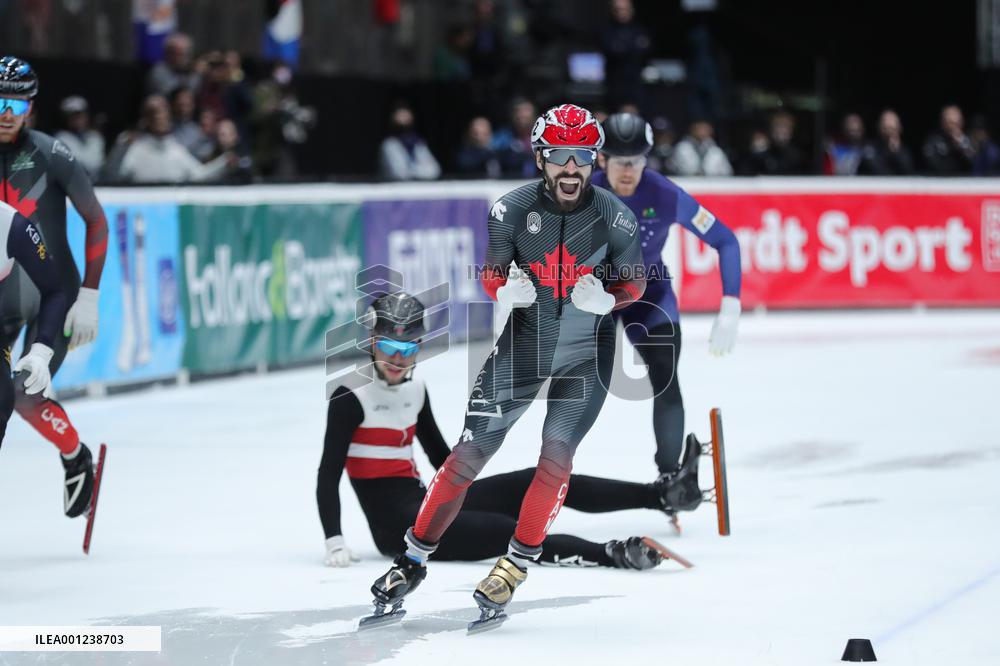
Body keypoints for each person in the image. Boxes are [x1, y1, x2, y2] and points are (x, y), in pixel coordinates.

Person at [367, 104, 647, 626]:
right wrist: (503, 290)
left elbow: (636, 283)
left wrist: (609, 300)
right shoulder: (510, 210)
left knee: (555, 456)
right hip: (521, 350)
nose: (571, 169)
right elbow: (493, 273)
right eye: (559, 156)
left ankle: (515, 564)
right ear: (541, 159)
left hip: (585, 359)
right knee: (467, 455)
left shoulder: (616, 216)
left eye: (582, 157)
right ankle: (412, 560)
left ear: (595, 160)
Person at [320, 292, 676, 571]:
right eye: (388, 348)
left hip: (428, 502)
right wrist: (334, 539)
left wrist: (473, 490)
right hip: (397, 531)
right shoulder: (350, 396)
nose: (397, 360)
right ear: (370, 341)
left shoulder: (415, 391)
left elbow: (442, 457)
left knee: (535, 480)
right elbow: (328, 474)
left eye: (408, 349)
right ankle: (611, 554)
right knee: (506, 529)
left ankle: (660, 495)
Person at [591, 112, 741, 528]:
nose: (628, 172)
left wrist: (731, 302)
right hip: (593, 296)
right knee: (587, 389)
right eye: (619, 162)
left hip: (648, 291)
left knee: (666, 377)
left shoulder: (665, 193)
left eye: (636, 161)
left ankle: (670, 476)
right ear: (601, 160)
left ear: (647, 160)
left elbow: (726, 240)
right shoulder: (582, 192)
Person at [0, 56, 108, 518]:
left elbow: (96, 219)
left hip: (53, 293)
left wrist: (90, 294)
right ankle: (75, 453)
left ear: (31, 109)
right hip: (4, 295)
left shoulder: (50, 152)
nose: (6, 113)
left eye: (16, 104)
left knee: (27, 395)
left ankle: (73, 455)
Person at [116, 95, 232, 183]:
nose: (159, 117)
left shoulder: (176, 150)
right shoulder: (134, 148)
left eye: (163, 111)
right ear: (146, 118)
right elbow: (114, 176)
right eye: (154, 112)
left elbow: (199, 175)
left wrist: (224, 163)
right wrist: (121, 146)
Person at [377, 104, 441, 181]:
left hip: (418, 189)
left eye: (406, 115)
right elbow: (400, 173)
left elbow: (434, 170)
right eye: (400, 116)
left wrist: (413, 170)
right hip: (395, 190)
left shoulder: (418, 143)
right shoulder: (389, 145)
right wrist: (421, 170)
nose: (403, 119)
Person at [53, 96, 105, 179]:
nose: (77, 119)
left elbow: (96, 164)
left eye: (80, 115)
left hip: (98, 186)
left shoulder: (96, 138)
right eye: (72, 116)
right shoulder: (59, 138)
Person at [857, 109, 915, 176]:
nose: (888, 133)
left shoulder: (905, 152)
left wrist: (897, 152)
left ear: (900, 128)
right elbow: (875, 170)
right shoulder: (869, 149)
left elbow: (909, 172)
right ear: (879, 127)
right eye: (885, 128)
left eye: (892, 129)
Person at [922, 105, 976, 176]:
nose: (953, 127)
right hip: (940, 182)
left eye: (956, 123)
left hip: (965, 183)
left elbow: (975, 163)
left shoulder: (968, 140)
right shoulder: (933, 140)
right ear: (943, 122)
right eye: (950, 123)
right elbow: (932, 164)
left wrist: (961, 147)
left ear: (962, 122)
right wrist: (950, 148)